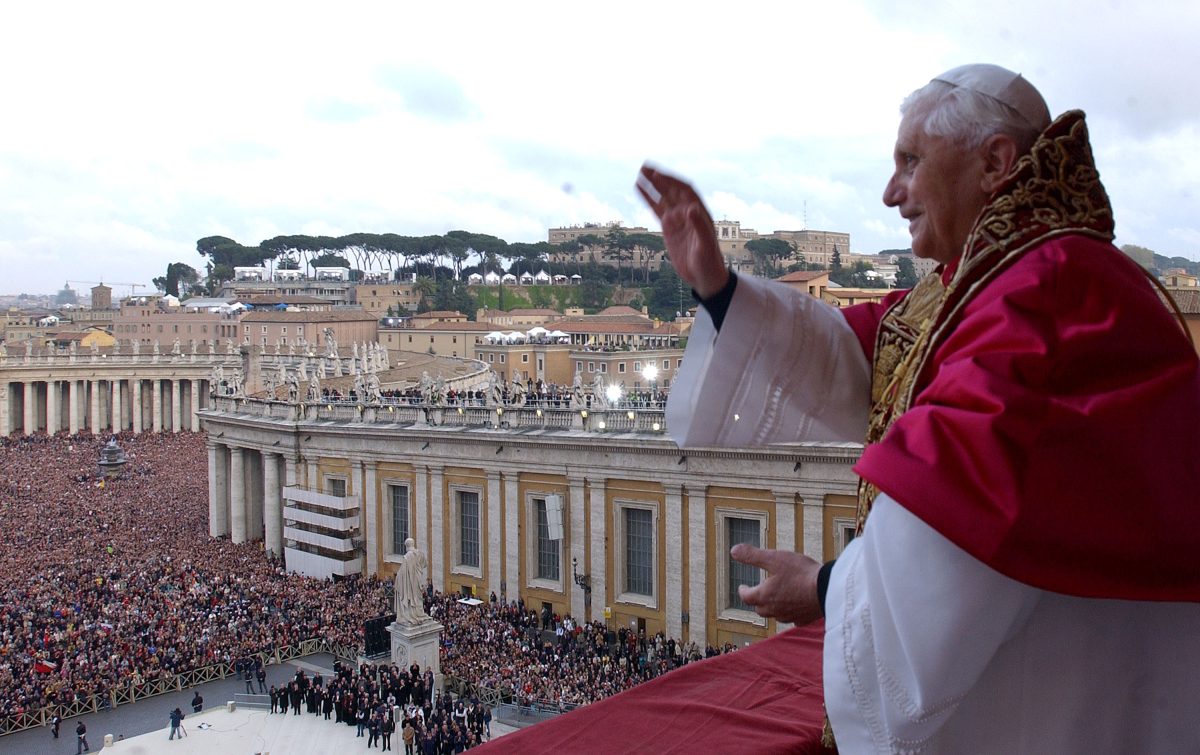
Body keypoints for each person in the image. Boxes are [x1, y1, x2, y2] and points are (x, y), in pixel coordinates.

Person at [638, 63, 1200, 753]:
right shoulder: (996, 278)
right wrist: (719, 287)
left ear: (995, 162)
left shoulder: (1045, 294)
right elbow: (857, 356)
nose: (890, 192)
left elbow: (961, 499)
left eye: (910, 161)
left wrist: (827, 584)